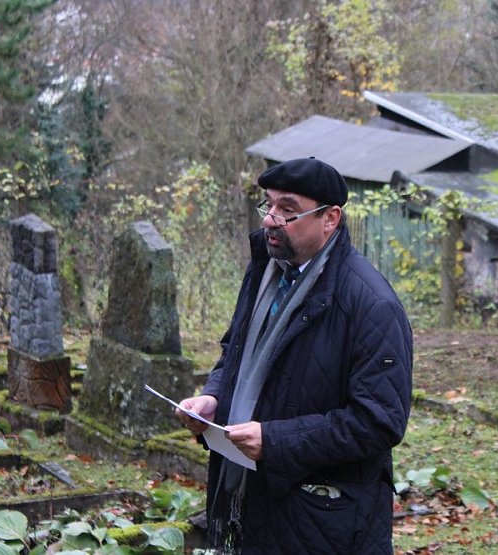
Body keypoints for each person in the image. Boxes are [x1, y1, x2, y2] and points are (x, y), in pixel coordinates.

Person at [177, 157, 413, 554]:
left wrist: (275, 441)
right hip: (252, 503)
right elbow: (237, 350)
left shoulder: (372, 304)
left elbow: (379, 422)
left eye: (287, 210)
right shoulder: (266, 271)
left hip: (326, 522)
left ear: (330, 218)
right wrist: (214, 397)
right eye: (268, 204)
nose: (270, 219)